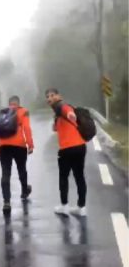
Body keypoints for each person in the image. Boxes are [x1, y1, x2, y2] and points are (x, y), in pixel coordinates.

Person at [46, 88, 87, 216]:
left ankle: (64, 206)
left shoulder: (61, 105)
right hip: (80, 146)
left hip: (68, 149)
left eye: (52, 95)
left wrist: (70, 114)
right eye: (47, 96)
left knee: (63, 177)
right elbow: (60, 127)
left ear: (59, 96)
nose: (49, 98)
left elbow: (67, 111)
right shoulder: (57, 113)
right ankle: (81, 208)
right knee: (79, 176)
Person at [0, 95, 34, 212]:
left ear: (9, 103)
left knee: (6, 173)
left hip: (4, 147)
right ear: (18, 103)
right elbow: (27, 128)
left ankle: (6, 202)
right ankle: (24, 191)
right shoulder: (22, 111)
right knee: (22, 169)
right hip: (19, 146)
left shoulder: (2, 113)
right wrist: (30, 145)